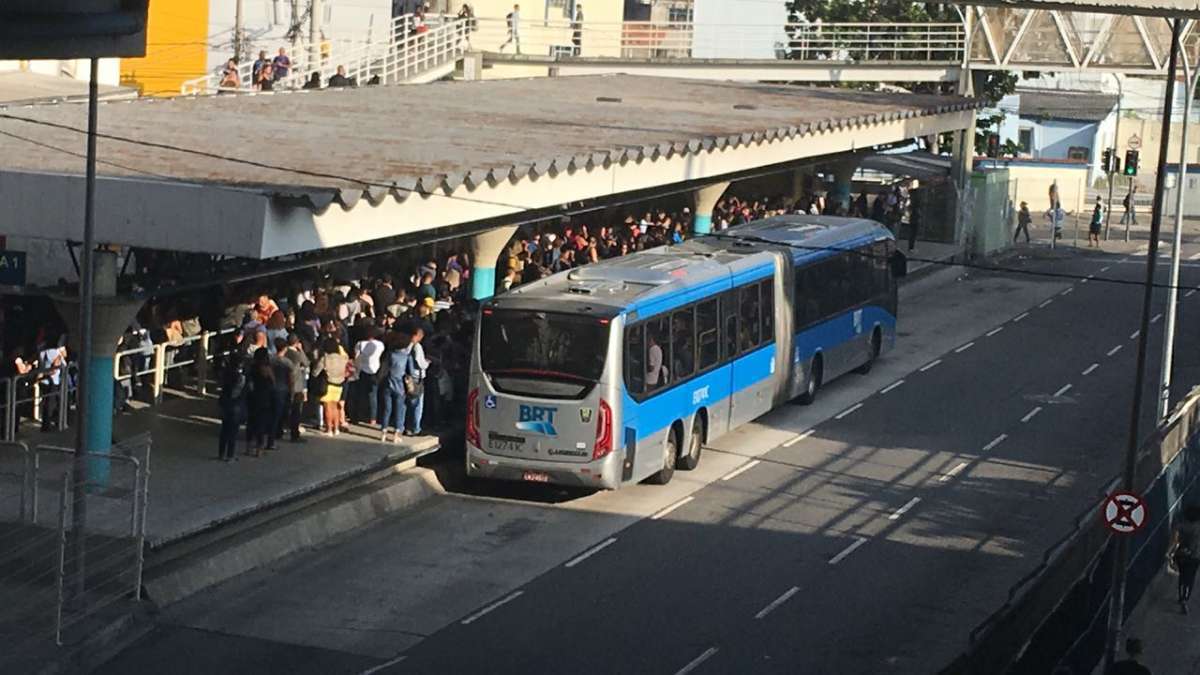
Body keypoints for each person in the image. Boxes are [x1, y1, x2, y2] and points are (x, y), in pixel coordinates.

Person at [313, 336, 350, 436]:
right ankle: (336, 428)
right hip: (340, 384)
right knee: (336, 406)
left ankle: (329, 429)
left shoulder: (325, 358)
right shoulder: (343, 358)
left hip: (328, 384)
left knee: (328, 407)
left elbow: (316, 372)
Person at [380, 331, 411, 443]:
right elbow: (410, 371)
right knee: (400, 409)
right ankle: (397, 434)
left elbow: (384, 368)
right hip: (400, 386)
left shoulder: (390, 354)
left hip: (388, 384)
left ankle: (383, 431)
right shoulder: (406, 356)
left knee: (387, 409)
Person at [246, 347, 277, 456]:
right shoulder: (266, 368)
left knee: (251, 422)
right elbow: (273, 382)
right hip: (264, 397)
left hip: (252, 396)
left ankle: (249, 447)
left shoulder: (252, 367)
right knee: (261, 423)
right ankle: (259, 448)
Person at [1170, 504, 1200, 614]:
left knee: (1182, 576)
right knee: (1190, 578)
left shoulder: (1181, 526)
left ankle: (1181, 595)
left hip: (1181, 554)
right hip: (1194, 556)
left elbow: (1174, 537)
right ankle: (1185, 598)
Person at [217, 354, 247, 462]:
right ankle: (230, 454)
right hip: (236, 404)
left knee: (224, 429)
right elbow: (239, 391)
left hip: (225, 403)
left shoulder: (225, 374)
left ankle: (221, 453)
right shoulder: (241, 377)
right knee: (233, 431)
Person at [353, 328, 384, 425]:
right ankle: (373, 418)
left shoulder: (360, 344)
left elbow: (356, 358)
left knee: (360, 394)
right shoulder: (380, 345)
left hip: (362, 370)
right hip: (375, 370)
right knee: (373, 395)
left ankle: (358, 415)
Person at [283, 334, 309, 443]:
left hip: (284, 384)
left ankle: (279, 430)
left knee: (284, 409)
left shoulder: (284, 353)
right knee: (296, 411)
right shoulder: (296, 354)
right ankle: (295, 434)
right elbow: (306, 363)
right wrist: (301, 350)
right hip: (296, 385)